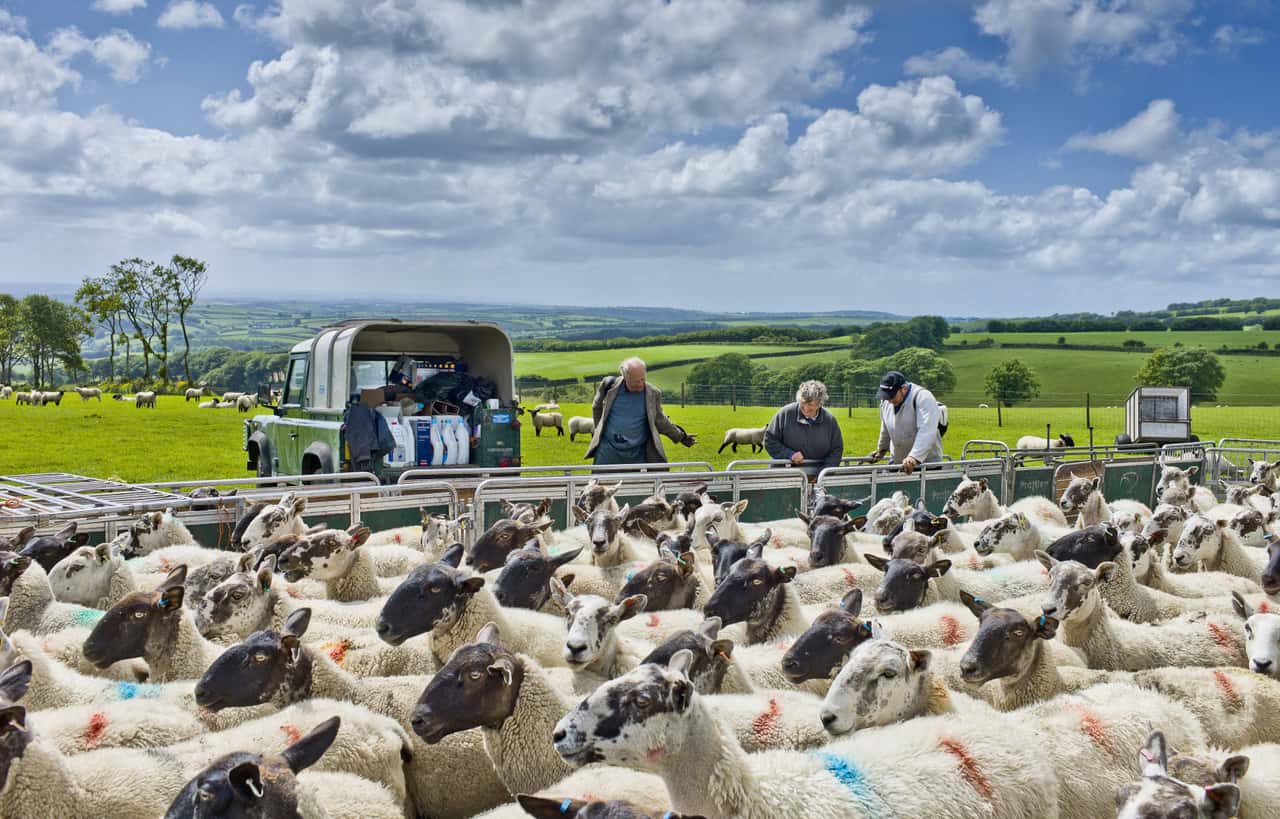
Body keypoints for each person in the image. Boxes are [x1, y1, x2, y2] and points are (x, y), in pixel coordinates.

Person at [585, 357, 697, 465]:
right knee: (600, 484)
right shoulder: (609, 386)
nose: (640, 384)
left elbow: (661, 421)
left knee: (637, 484)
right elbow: (596, 407)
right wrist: (599, 430)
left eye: (643, 379)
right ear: (624, 377)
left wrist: (680, 436)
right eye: (635, 381)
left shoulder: (653, 393)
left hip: (637, 455)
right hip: (607, 453)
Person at [763, 380, 844, 477]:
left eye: (810, 405)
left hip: (818, 474)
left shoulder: (829, 420)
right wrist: (790, 454)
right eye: (803, 403)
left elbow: (836, 449)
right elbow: (769, 440)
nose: (805, 408)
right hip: (784, 473)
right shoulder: (785, 414)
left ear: (819, 403)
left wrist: (823, 473)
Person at [868, 370, 943, 474]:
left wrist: (914, 457)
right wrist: (881, 450)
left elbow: (927, 430)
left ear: (903, 388)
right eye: (886, 396)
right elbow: (885, 428)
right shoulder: (886, 402)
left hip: (925, 465)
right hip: (898, 462)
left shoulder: (923, 397)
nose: (889, 400)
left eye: (892, 396)